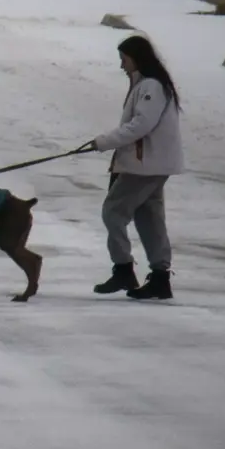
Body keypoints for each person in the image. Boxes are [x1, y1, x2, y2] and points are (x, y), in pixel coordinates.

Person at [82, 34, 185, 301]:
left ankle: (124, 269)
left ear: (136, 58)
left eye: (123, 59)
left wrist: (103, 142)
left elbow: (141, 125)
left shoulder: (151, 86)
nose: (121, 66)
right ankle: (160, 278)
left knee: (113, 212)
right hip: (151, 164)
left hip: (145, 166)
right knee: (149, 218)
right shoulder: (148, 84)